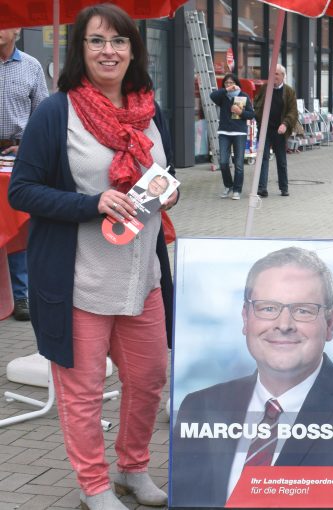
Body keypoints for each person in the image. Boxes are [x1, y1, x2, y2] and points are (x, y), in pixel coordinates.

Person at [7, 4, 179, 510]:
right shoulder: (55, 111)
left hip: (142, 277)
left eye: (119, 41)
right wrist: (92, 202)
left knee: (148, 380)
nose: (109, 51)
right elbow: (23, 191)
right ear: (80, 49)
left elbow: (164, 177)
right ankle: (95, 486)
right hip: (78, 281)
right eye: (97, 41)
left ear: (134, 49)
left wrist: (169, 194)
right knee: (82, 395)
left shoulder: (150, 110)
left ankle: (132, 469)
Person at [170, 246, 333, 507]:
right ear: (245, 318)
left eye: (303, 310)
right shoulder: (199, 406)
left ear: (330, 324)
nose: (284, 324)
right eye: (268, 308)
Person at [0, 26, 49, 322]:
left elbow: (41, 114)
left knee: (17, 223)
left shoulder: (31, 66)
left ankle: (21, 295)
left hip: (17, 156)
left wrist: (29, 149)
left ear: (16, 29)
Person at [254, 64, 298, 197]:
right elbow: (256, 104)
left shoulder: (289, 91)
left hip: (280, 130)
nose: (273, 77)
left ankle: (284, 187)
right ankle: (262, 188)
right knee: (263, 157)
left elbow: (293, 111)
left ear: (283, 76)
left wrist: (285, 124)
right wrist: (259, 118)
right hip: (265, 129)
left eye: (276, 74)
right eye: (272, 74)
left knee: (281, 159)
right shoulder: (264, 89)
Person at [211, 73, 254, 201]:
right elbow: (212, 96)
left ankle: (237, 190)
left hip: (239, 133)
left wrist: (241, 112)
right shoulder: (223, 97)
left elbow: (251, 114)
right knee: (223, 162)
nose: (229, 85)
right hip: (224, 132)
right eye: (226, 83)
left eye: (231, 83)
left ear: (236, 83)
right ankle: (228, 186)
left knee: (239, 164)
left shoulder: (243, 96)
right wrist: (225, 90)